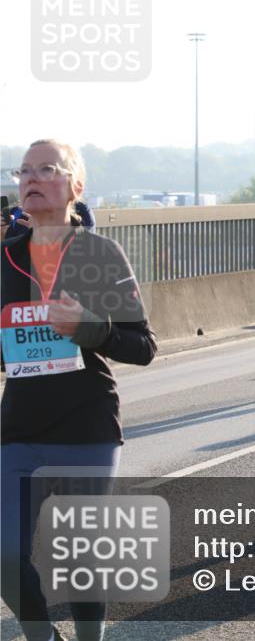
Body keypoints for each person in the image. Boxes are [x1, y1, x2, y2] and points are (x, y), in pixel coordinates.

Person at [1, 139, 157, 641]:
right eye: (24, 170)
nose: (31, 179)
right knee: (4, 554)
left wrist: (90, 328)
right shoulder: (5, 258)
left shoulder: (100, 253)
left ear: (75, 186)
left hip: (86, 424)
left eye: (47, 168)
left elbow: (143, 345)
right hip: (18, 427)